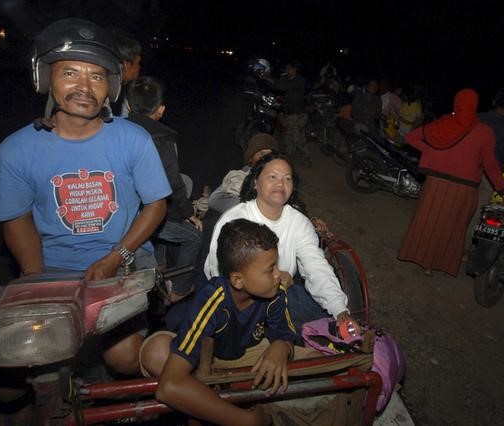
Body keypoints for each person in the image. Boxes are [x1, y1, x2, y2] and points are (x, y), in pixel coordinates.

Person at [0, 19, 171, 375]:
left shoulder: (134, 139)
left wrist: (115, 257)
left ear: (111, 88)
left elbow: (156, 204)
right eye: (71, 73)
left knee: (124, 358)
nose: (84, 87)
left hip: (124, 261)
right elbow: (17, 218)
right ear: (46, 79)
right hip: (53, 268)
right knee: (14, 371)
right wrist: (35, 276)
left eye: (97, 77)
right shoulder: (16, 150)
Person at [139, 218, 319, 425]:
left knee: (318, 360)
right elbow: (168, 387)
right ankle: (221, 406)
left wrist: (282, 346)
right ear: (238, 280)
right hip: (208, 357)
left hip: (249, 353)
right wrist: (246, 421)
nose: (279, 275)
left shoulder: (274, 292)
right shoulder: (213, 299)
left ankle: (217, 400)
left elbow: (285, 331)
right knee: (156, 352)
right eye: (270, 269)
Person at [204, 153, 359, 334]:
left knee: (323, 329)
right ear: (255, 182)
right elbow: (219, 274)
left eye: (287, 178)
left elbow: (316, 267)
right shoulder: (235, 219)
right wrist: (269, 282)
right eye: (272, 177)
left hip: (280, 296)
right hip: (237, 301)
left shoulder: (299, 223)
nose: (280, 184)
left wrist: (340, 310)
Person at [398, 88, 504, 276]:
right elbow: (491, 166)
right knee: (451, 228)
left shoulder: (444, 124)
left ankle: (425, 262)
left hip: (436, 185)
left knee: (430, 223)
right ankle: (438, 263)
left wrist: (431, 152)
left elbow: (410, 137)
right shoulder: (484, 132)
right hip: (464, 191)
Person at [125, 76, 203, 303]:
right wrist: (189, 214)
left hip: (124, 210)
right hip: (144, 215)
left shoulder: (116, 131)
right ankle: (181, 288)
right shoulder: (162, 138)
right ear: (160, 110)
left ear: (129, 106)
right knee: (194, 237)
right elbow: (172, 182)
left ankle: (158, 263)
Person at [466, 84, 504, 249]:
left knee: (457, 206)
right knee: (474, 213)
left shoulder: (475, 117)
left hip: (464, 168)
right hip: (488, 178)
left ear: (493, 101)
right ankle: (462, 249)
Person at [208, 132, 279, 215]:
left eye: (270, 155)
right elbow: (214, 200)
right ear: (250, 159)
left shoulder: (280, 179)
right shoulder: (239, 176)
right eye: (262, 154)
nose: (266, 159)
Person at [264, 62, 310, 166]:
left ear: (294, 70)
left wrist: (267, 78)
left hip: (298, 114)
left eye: (289, 69)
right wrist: (265, 78)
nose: (287, 70)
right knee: (291, 135)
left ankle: (304, 158)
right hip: (291, 113)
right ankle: (291, 157)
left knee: (297, 136)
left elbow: (282, 86)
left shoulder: (299, 80)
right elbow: (276, 85)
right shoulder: (287, 78)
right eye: (286, 69)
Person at [112, 31, 142, 118]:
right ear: (126, 65)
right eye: (138, 63)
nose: (139, 67)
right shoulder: (114, 98)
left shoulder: (121, 92)